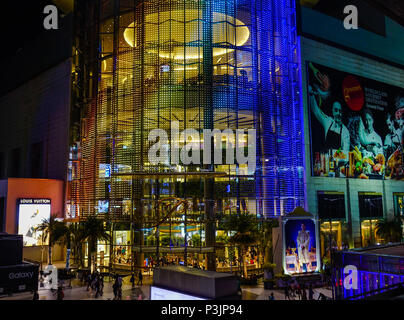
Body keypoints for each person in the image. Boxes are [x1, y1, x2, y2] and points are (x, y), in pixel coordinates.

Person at [309, 86, 350, 154]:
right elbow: (316, 111)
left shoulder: (345, 132)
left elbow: (345, 154)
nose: (338, 114)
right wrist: (311, 95)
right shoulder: (328, 122)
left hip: (337, 163)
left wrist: (332, 155)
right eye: (336, 110)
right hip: (325, 161)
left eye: (340, 111)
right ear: (332, 111)